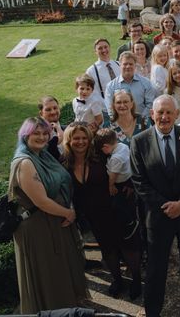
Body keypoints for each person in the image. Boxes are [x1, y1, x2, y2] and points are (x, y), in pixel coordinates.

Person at [130, 95, 180, 317]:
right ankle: (153, 307)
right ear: (152, 114)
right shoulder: (140, 141)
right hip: (158, 215)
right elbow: (139, 181)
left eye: (168, 113)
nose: (164, 117)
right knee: (156, 264)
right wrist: (167, 206)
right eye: (160, 112)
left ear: (177, 114)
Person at [9, 117, 88, 313]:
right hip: (38, 227)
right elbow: (41, 201)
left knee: (60, 267)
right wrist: (68, 213)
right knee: (48, 272)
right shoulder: (25, 163)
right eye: (36, 133)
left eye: (45, 133)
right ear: (25, 135)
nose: (42, 137)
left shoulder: (42, 155)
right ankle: (53, 310)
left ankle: (67, 306)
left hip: (53, 220)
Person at [70, 124, 141, 299]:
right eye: (76, 138)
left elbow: (129, 163)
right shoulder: (66, 162)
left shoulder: (100, 154)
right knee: (107, 249)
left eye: (84, 138)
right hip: (94, 215)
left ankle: (137, 280)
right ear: (69, 141)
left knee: (128, 247)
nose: (80, 142)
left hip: (117, 208)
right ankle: (117, 279)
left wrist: (130, 184)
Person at [105, 51, 157, 119]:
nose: (128, 66)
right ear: (120, 65)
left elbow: (150, 104)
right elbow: (110, 108)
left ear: (135, 65)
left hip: (142, 123)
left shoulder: (146, 83)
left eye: (131, 64)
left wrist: (140, 120)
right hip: (120, 124)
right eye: (125, 64)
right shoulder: (111, 86)